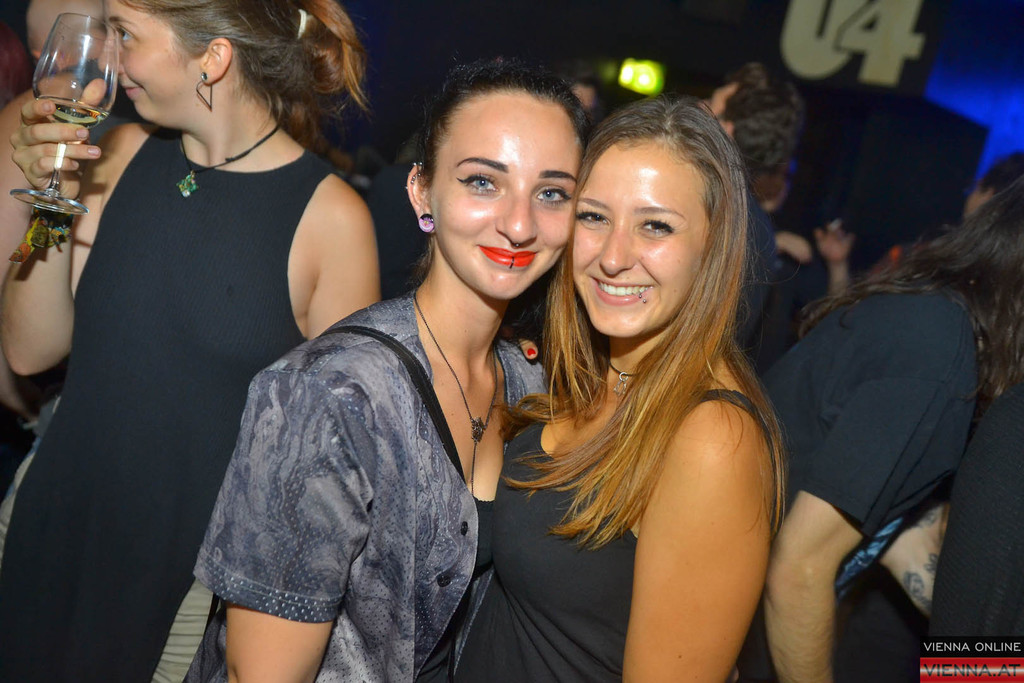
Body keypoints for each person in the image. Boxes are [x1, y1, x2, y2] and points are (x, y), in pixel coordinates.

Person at [0, 0, 379, 680]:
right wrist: (51, 193)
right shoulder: (117, 154)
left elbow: (336, 469)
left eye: (125, 34)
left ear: (213, 57)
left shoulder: (332, 219)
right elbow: (30, 350)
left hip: (178, 593)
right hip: (41, 526)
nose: (108, 58)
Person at [185, 59, 588, 682]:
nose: (519, 223)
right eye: (483, 181)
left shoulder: (532, 385)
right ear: (421, 191)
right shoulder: (327, 395)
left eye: (551, 193)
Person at [455, 95, 785, 681]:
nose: (613, 257)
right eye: (593, 217)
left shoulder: (712, 438)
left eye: (655, 226)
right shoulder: (589, 371)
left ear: (713, 246)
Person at [751, 175, 1024, 682]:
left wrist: (988, 663)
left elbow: (899, 536)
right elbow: (797, 569)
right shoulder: (936, 355)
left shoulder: (937, 326)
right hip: (729, 637)